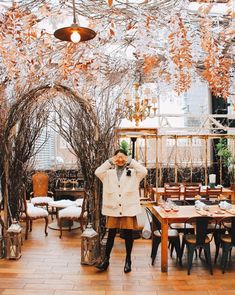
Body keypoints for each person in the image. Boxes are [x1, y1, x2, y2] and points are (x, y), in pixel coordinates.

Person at [95, 149, 147, 273]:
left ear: (126, 159)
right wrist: (109, 162)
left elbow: (144, 171)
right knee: (111, 234)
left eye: (122, 157)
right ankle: (106, 260)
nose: (120, 159)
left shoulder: (134, 173)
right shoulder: (108, 173)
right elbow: (97, 171)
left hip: (128, 208)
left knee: (128, 235)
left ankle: (128, 260)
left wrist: (131, 161)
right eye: (117, 157)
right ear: (113, 158)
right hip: (113, 208)